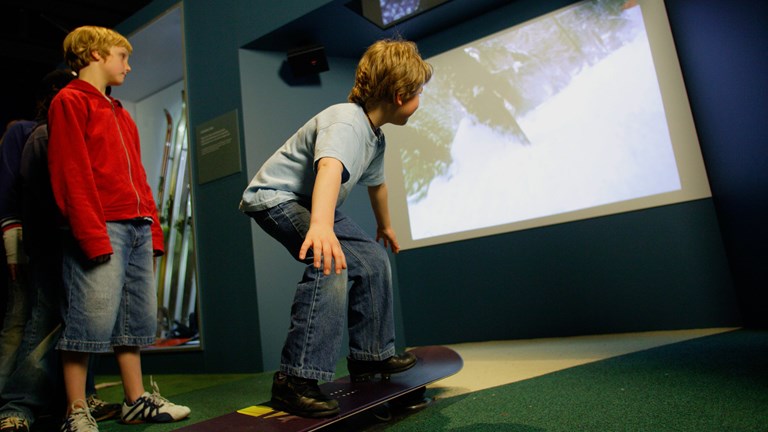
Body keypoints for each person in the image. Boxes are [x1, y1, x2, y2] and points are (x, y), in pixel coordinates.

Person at [239, 38, 433, 418]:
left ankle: (370, 357)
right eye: (419, 93)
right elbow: (328, 168)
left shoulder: (375, 137)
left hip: (312, 202)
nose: (420, 101)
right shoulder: (346, 120)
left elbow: (377, 184)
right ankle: (294, 379)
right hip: (276, 198)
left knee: (373, 259)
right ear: (399, 94)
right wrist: (322, 227)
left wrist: (386, 226)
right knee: (331, 261)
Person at [47, 26, 190, 431]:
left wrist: (155, 229)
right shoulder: (70, 101)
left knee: (134, 319)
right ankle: (76, 409)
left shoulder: (121, 112)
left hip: (137, 225)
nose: (128, 64)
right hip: (102, 225)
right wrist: (91, 233)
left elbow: (140, 176)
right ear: (94, 54)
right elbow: (70, 173)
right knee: (88, 319)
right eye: (121, 56)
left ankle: (134, 400)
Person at [0, 69, 122, 432]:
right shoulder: (27, 131)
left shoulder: (77, 129)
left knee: (76, 320)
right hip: (38, 240)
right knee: (27, 320)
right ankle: (14, 402)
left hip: (73, 239)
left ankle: (78, 397)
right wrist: (13, 241)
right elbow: (13, 189)